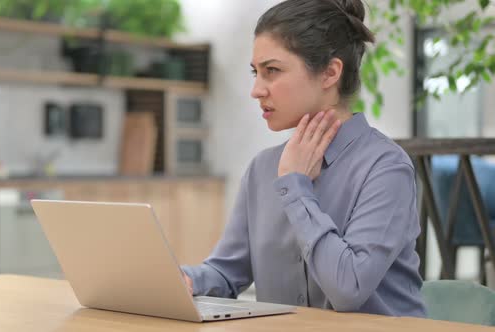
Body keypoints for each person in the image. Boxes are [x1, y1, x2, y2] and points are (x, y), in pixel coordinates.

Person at [181, 0, 427, 317]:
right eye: (256, 72)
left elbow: (348, 289)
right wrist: (185, 278)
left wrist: (295, 188)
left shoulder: (386, 168)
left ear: (329, 72)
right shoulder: (261, 169)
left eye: (272, 71)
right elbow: (228, 273)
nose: (256, 90)